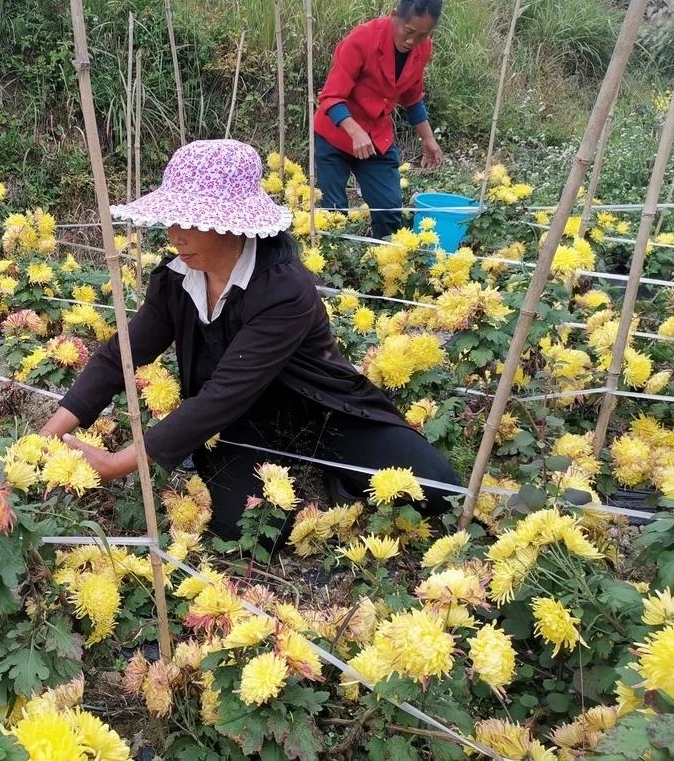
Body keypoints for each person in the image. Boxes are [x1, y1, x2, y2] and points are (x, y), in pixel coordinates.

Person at [40, 139, 458, 540]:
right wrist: (48, 435)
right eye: (172, 218)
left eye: (189, 220)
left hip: (321, 409)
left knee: (434, 488)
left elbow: (224, 392)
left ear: (233, 224)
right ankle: (288, 467)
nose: (174, 234)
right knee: (252, 528)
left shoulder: (282, 288)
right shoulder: (176, 280)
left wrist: (116, 464)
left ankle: (335, 468)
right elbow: (121, 357)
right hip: (238, 423)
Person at [313, 0, 444, 239]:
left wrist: (428, 139)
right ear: (395, 14)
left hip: (376, 137)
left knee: (389, 210)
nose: (412, 42)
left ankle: (384, 267)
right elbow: (331, 97)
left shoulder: (423, 47)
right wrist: (354, 130)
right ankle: (334, 271)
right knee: (334, 213)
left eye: (422, 35)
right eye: (408, 32)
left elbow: (412, 96)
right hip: (336, 134)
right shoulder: (362, 39)